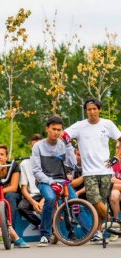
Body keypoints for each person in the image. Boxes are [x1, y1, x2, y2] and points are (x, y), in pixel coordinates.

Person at [65, 98, 121, 242]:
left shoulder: (107, 124)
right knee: (94, 200)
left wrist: (116, 157)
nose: (92, 112)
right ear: (86, 111)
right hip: (88, 172)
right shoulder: (80, 126)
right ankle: (115, 223)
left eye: (94, 109)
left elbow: (120, 138)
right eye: (89, 109)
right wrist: (66, 143)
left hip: (106, 171)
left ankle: (98, 232)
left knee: (100, 201)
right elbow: (65, 134)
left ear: (99, 110)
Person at [32, 116, 78, 247]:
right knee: (50, 198)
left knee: (76, 202)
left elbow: (72, 164)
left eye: (59, 130)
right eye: (53, 129)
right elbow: (36, 171)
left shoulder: (64, 145)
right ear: (47, 129)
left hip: (62, 180)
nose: (56, 132)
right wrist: (50, 182)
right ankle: (45, 235)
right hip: (44, 181)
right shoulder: (38, 146)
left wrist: (69, 145)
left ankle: (87, 233)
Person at [17, 134, 44, 229]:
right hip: (32, 196)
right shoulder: (24, 164)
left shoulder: (48, 162)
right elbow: (23, 189)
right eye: (34, 147)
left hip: (46, 194)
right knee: (21, 207)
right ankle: (40, 225)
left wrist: (43, 201)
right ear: (31, 147)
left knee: (50, 203)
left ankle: (53, 228)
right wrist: (33, 203)